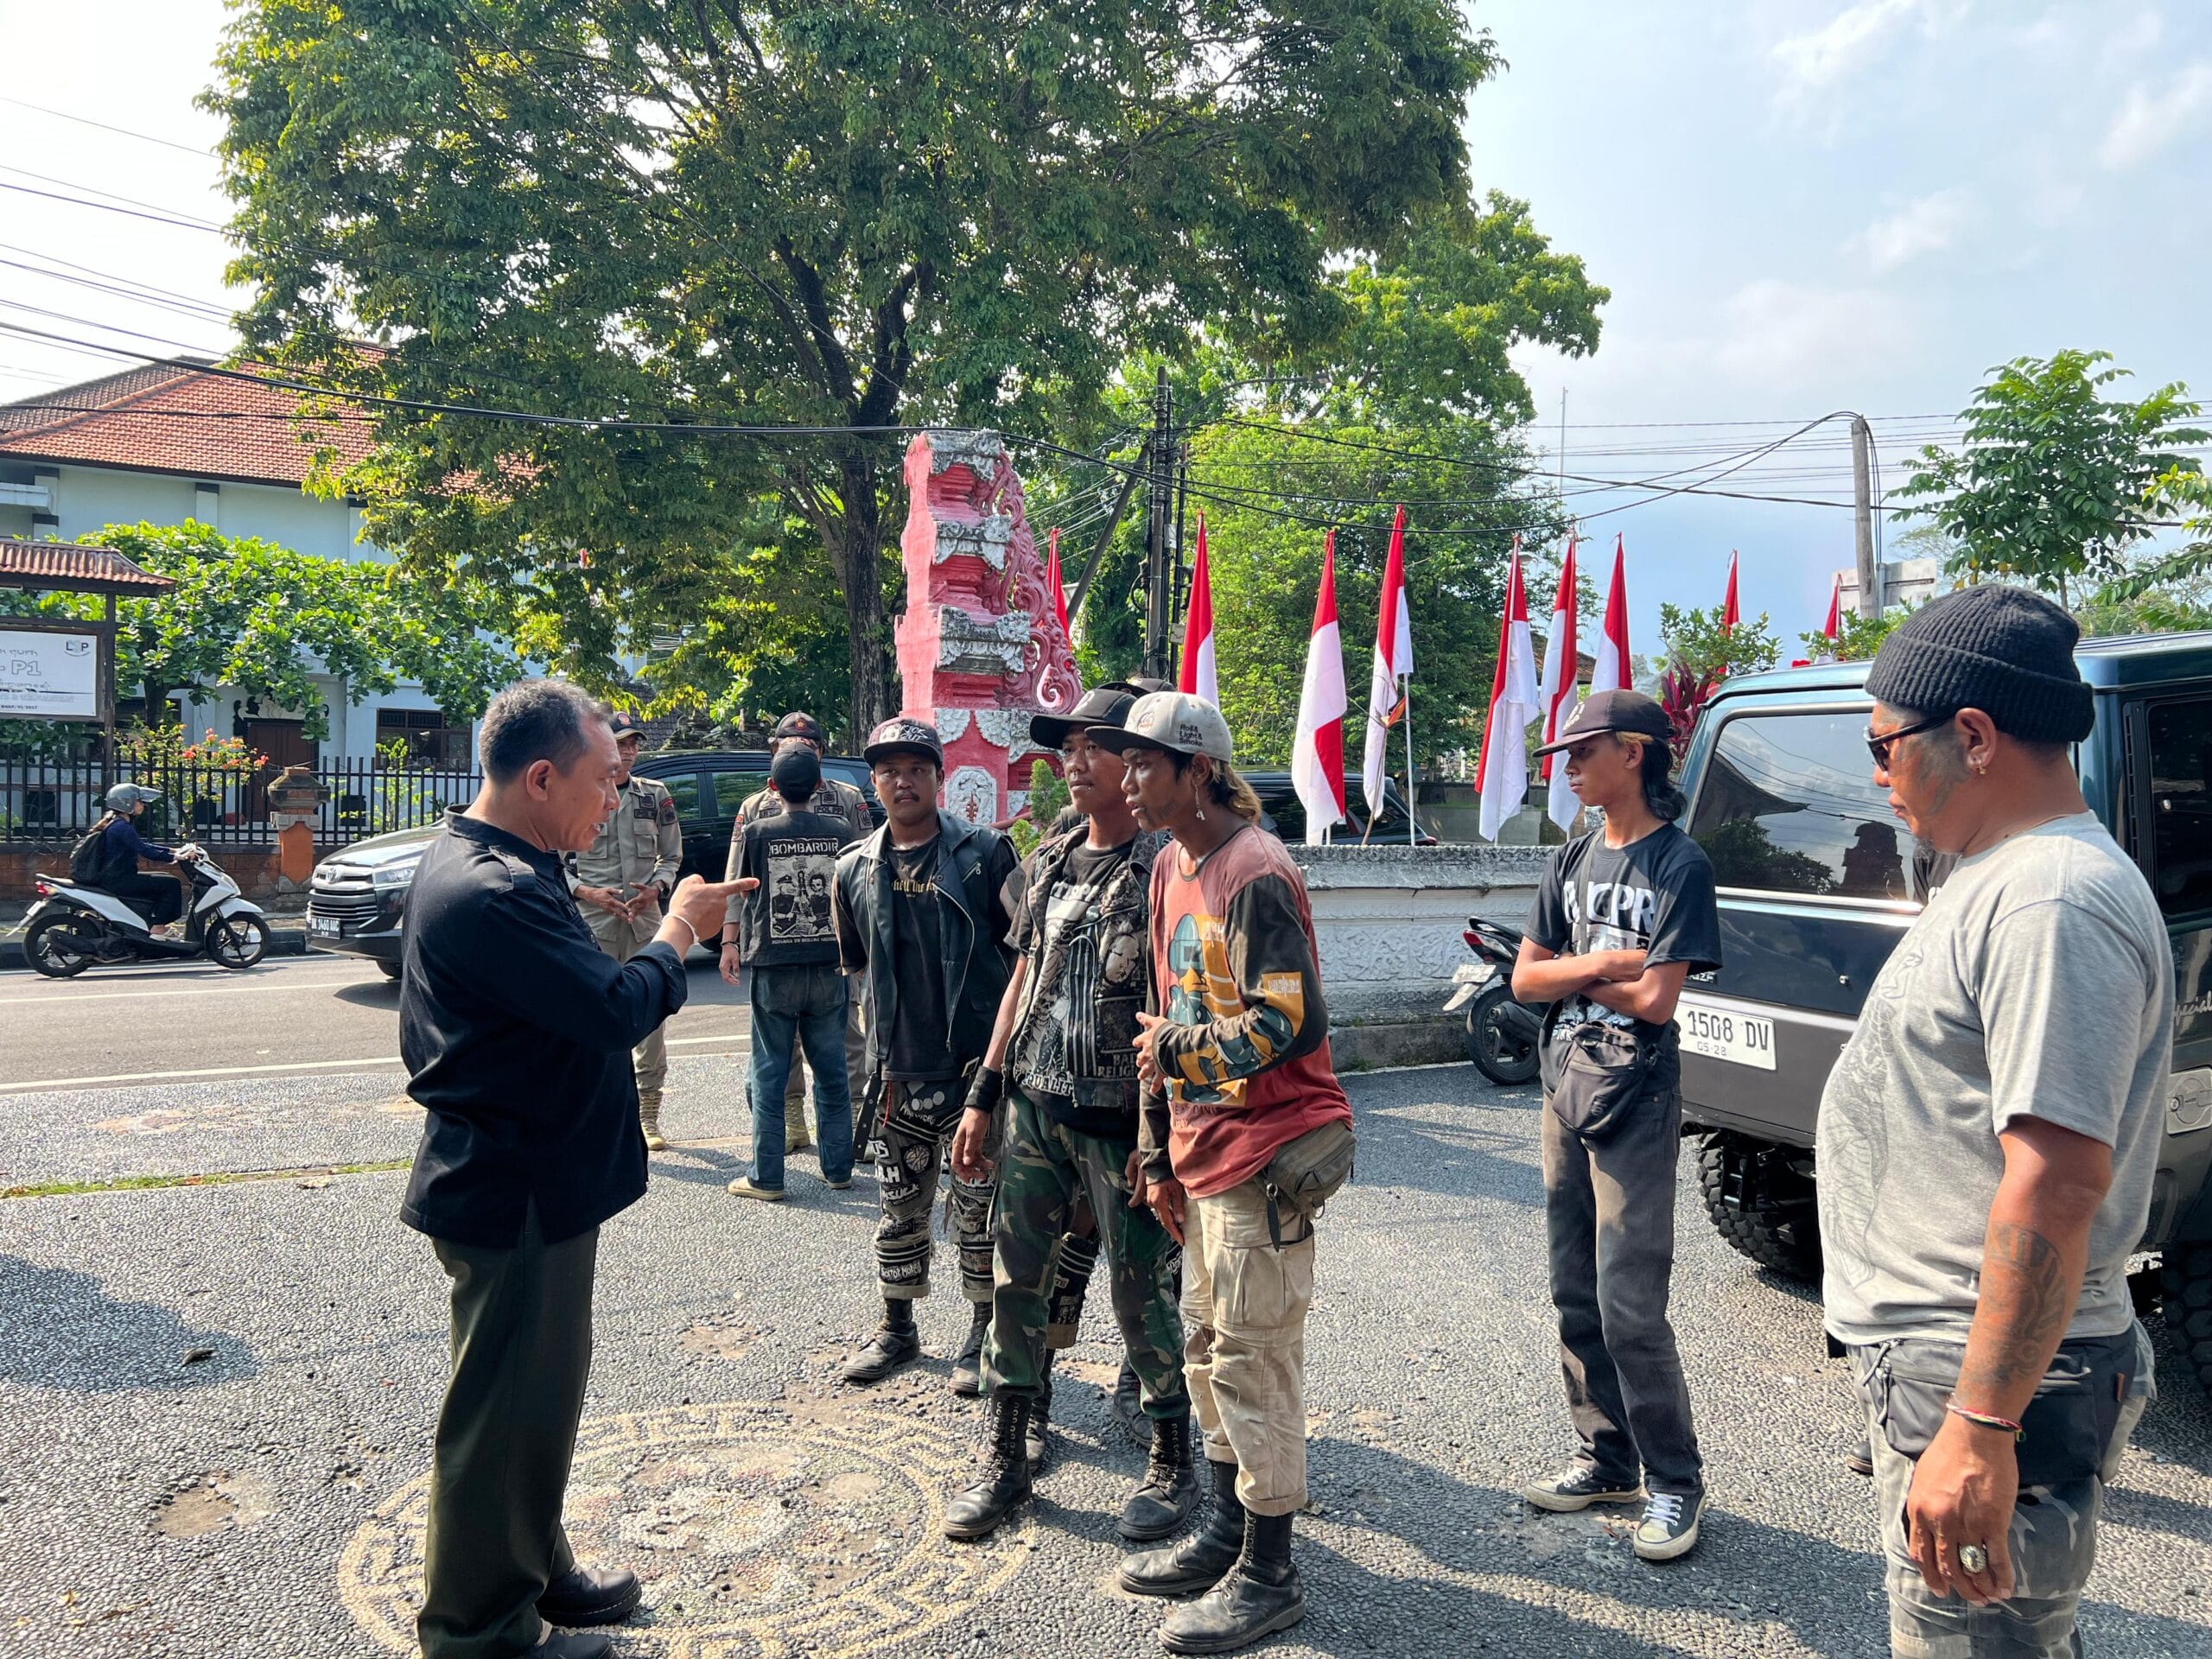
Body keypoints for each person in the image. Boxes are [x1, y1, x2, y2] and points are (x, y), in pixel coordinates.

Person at [1820, 586, 2167, 1657]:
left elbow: (2056, 1180)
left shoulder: (2051, 901)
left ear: (1971, 737)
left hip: (1980, 1375)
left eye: (1882, 746)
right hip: (1956, 1361)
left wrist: (1978, 1425)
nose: (1875, 777)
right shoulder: (2000, 874)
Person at [398, 679, 745, 1659]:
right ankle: (480, 1634)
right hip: (516, 1186)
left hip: (528, 1179)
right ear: (543, 778)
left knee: (535, 1400)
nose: (615, 797)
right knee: (504, 1414)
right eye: (604, 780)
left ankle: (535, 1566)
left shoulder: (501, 860)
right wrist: (680, 930)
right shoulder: (498, 889)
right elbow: (611, 1008)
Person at [1100, 691, 1356, 1656]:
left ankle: (1270, 1573)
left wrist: (1176, 1053)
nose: (1127, 780)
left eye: (1143, 763)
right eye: (1125, 763)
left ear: (1197, 769)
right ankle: (1222, 1531)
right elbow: (1160, 1013)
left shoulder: (1254, 870)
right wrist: (1158, 1150)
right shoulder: (1170, 865)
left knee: (1255, 1361)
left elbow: (1290, 1019)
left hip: (1264, 1157)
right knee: (1207, 1352)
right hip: (1201, 1155)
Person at [943, 681, 1197, 1544]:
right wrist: (983, 1094)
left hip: (1125, 1121)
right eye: (1069, 747)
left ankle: (1171, 1458)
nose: (1075, 762)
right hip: (1034, 1110)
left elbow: (1179, 1002)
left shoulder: (1168, 867)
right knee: (1017, 1285)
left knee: (1139, 1293)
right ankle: (1007, 1453)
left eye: (1096, 746)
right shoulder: (1050, 860)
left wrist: (1161, 1140)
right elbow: (1021, 978)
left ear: (1138, 761)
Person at [1509, 688, 1719, 1563]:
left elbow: (1658, 1001)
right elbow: (1523, 980)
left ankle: (1674, 1480)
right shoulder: (1572, 857)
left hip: (1637, 1092)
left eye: (1580, 752)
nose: (1567, 768)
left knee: (1630, 1302)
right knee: (1573, 1290)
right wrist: (1604, 963)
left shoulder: (1679, 864)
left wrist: (1572, 970)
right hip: (1564, 1082)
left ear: (1633, 753)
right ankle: (1606, 1459)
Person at [833, 716, 1018, 1389]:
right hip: (895, 1075)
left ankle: (983, 1332)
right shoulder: (852, 868)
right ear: (873, 781)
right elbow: (857, 963)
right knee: (898, 1207)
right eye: (889, 770)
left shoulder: (985, 854)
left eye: (916, 769)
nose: (903, 781)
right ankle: (897, 1328)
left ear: (940, 777)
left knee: (980, 1211)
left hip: (973, 1074)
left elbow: (1026, 955)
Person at [725, 711, 874, 1160]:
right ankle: (793, 1121)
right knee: (781, 1045)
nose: (798, 749)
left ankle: (852, 1122)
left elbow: (867, 870)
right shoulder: (754, 808)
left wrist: (866, 942)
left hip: (835, 947)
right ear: (774, 750)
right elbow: (735, 880)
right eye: (788, 743)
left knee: (847, 1035)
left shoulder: (847, 799)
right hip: (777, 946)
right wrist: (730, 941)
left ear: (821, 752)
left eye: (808, 745)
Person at [567, 710, 683, 1151]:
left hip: (644, 925)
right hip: (593, 927)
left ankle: (647, 1117)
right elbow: (553, 863)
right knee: (592, 1024)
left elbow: (672, 856)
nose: (630, 751)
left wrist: (657, 888)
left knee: (649, 1025)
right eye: (622, 743)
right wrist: (586, 892)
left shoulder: (655, 796)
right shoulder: (580, 795)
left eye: (634, 743)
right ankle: (596, 1116)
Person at [90, 784, 195, 931]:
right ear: (127, 803)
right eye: (139, 801)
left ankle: (151, 923)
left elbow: (142, 845)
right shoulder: (122, 827)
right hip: (118, 880)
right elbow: (145, 851)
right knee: (171, 884)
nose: (142, 804)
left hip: (117, 878)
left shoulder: (118, 824)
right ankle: (158, 927)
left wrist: (175, 850)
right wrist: (177, 856)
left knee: (165, 878)